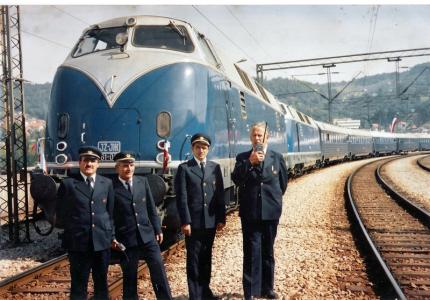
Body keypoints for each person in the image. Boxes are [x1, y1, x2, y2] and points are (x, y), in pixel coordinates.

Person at [231, 122, 288, 300]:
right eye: (254, 135)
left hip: (271, 212)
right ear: (250, 138)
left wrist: (273, 201)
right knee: (251, 251)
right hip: (250, 213)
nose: (257, 138)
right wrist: (250, 162)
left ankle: (267, 288)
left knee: (268, 251)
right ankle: (250, 291)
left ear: (267, 137)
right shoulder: (242, 158)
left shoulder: (277, 157)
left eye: (260, 135)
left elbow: (283, 184)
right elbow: (237, 179)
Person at [111, 151, 172, 300]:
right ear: (117, 168)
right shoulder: (110, 187)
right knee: (130, 277)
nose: (129, 168)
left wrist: (157, 228)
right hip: (126, 239)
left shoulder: (142, 182)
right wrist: (112, 237)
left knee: (159, 272)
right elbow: (109, 215)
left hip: (147, 236)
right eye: (125, 165)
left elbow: (151, 208)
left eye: (131, 165)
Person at [55, 146, 114, 300]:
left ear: (98, 164)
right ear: (80, 163)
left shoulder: (106, 183)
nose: (89, 164)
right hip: (78, 243)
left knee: (101, 284)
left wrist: (110, 235)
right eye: (85, 160)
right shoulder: (68, 184)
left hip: (101, 243)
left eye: (93, 161)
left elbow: (110, 212)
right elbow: (60, 213)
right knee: (78, 286)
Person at [175, 133, 226, 300]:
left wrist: (221, 218)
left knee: (206, 257)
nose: (201, 150)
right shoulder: (185, 168)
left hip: (210, 221)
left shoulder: (214, 167)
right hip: (194, 223)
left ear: (208, 149)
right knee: (194, 259)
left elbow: (219, 195)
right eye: (197, 147)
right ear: (192, 149)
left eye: (204, 147)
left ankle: (205, 291)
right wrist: (185, 221)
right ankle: (195, 295)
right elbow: (182, 198)